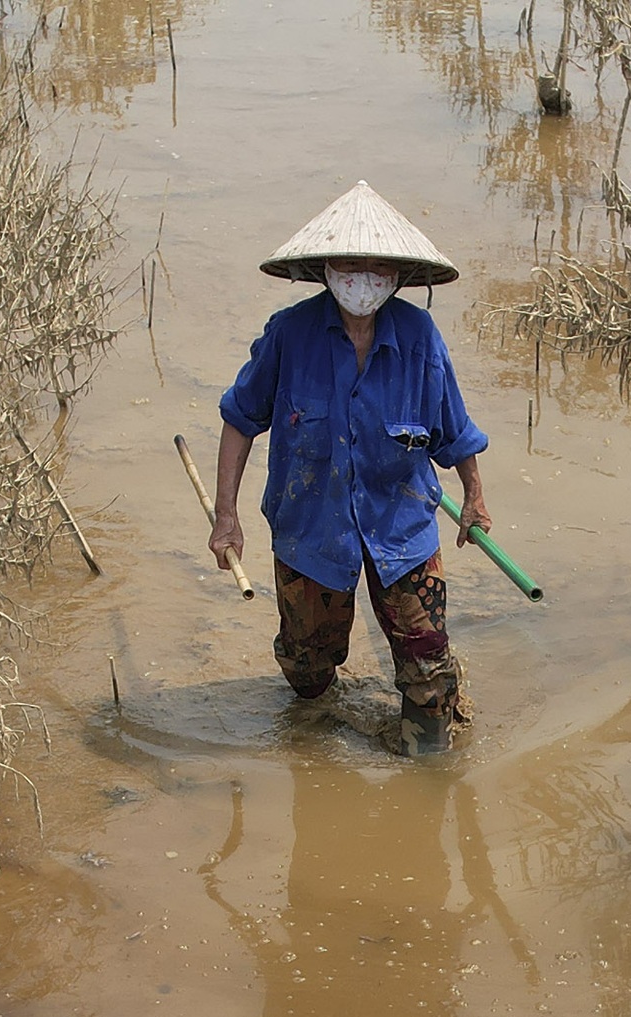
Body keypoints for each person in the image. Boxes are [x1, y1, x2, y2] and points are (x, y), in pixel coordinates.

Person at [210, 180, 491, 757]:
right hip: (311, 530)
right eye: (350, 263)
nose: (362, 275)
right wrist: (225, 517)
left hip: (402, 527)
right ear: (327, 269)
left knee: (428, 674)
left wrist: (476, 500)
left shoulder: (420, 338)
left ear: (395, 274)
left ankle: (429, 759)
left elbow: (455, 430)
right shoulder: (289, 335)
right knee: (307, 673)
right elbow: (240, 419)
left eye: (375, 265)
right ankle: (316, 747)